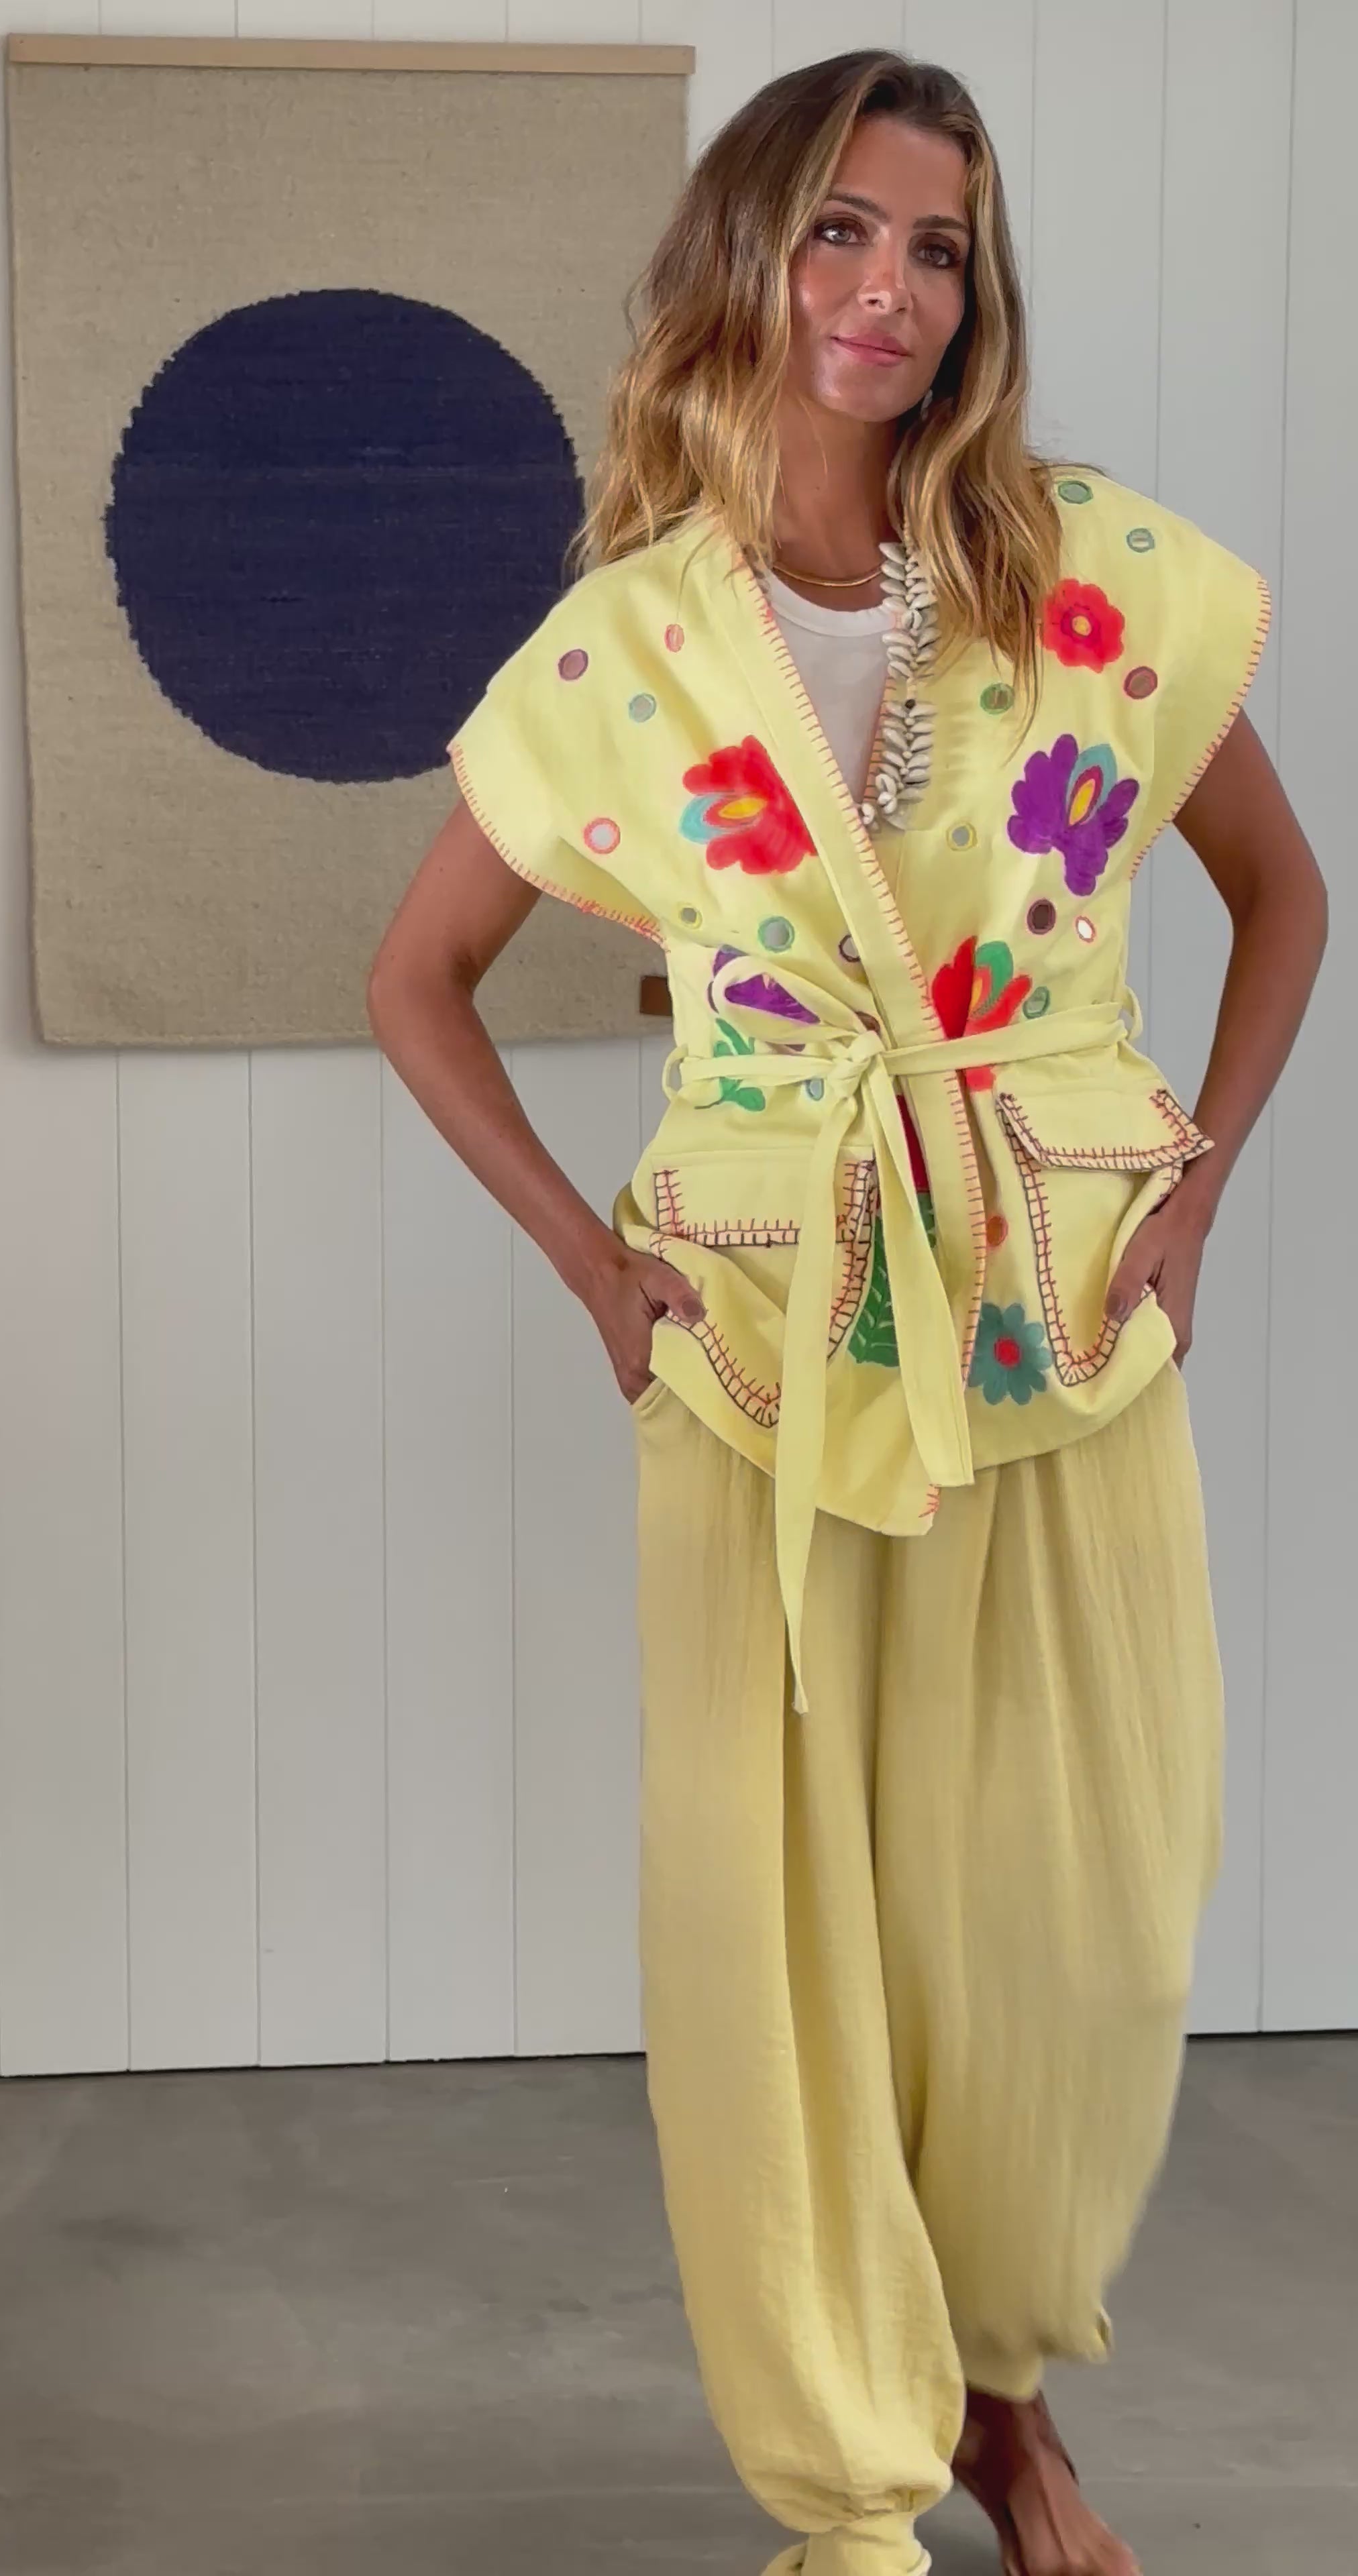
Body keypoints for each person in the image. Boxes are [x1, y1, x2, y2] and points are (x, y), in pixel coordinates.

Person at [366, 48, 1326, 2576]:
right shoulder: (635, 644)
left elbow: (1286, 893)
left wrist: (1198, 1198)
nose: (890, 290)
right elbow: (415, 979)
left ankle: (1003, 2381)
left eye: (938, 248)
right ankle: (865, 2472)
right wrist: (595, 1267)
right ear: (749, 251)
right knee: (787, 1932)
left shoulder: (1083, 573)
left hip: (1058, 1317)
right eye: (841, 232)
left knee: (1073, 1927)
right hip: (766, 1341)